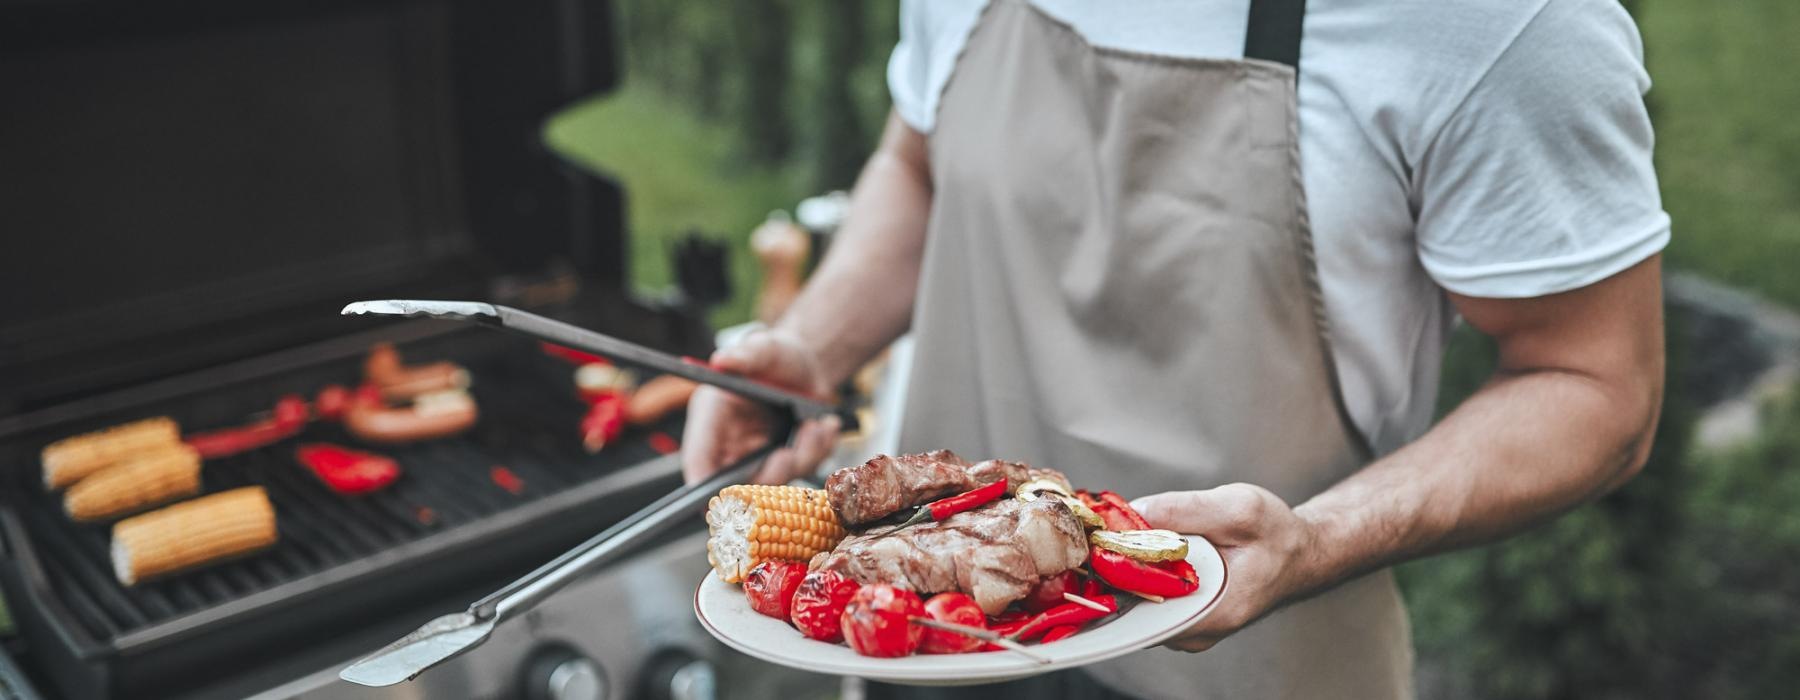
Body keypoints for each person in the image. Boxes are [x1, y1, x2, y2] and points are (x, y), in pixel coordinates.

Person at [682, 0, 1668, 697]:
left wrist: (1320, 539)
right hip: (929, 638)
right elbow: (921, 161)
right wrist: (817, 342)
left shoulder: (1499, 23)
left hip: (1256, 666)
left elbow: (1594, 380)